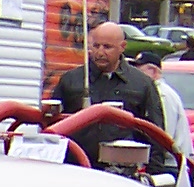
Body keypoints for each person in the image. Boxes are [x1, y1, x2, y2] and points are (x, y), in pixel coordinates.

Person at [53, 22, 163, 163]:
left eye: (107, 47)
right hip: (77, 167)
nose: (100, 53)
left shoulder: (142, 84)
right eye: (96, 46)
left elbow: (155, 133)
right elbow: (54, 126)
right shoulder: (71, 80)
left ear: (122, 47)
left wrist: (152, 173)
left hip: (122, 169)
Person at [140, 58, 194, 162]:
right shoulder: (155, 92)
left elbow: (164, 133)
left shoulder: (162, 95)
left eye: (139, 70)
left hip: (170, 163)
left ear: (154, 71)